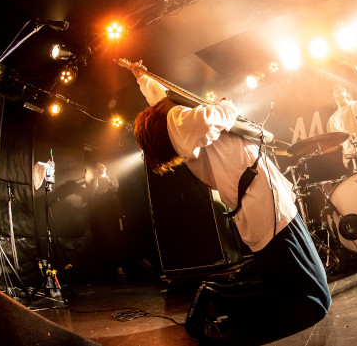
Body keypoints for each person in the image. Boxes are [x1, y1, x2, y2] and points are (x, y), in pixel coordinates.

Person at [129, 62, 331, 344]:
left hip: (271, 210)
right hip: (269, 212)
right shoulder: (177, 122)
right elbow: (205, 117)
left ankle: (217, 299)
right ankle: (217, 302)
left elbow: (160, 98)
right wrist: (226, 105)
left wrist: (143, 79)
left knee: (303, 295)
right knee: (312, 301)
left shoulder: (179, 127)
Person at [87, 162, 127, 281]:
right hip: (101, 214)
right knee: (106, 240)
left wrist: (105, 176)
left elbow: (115, 188)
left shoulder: (112, 177)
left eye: (102, 168)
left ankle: (121, 266)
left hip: (114, 213)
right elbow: (93, 194)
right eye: (98, 168)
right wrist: (96, 179)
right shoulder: (93, 181)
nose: (100, 170)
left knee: (118, 238)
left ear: (105, 168)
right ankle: (111, 269)